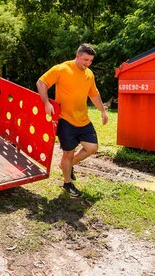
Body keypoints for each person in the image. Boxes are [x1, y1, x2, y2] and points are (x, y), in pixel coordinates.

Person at [36, 43, 108, 197]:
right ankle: (67, 184)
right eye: (85, 60)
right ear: (77, 56)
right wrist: (46, 103)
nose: (87, 64)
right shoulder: (62, 69)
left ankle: (68, 166)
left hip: (83, 119)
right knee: (68, 153)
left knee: (92, 148)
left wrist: (102, 111)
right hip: (65, 120)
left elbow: (94, 94)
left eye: (90, 61)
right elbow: (41, 82)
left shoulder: (89, 74)